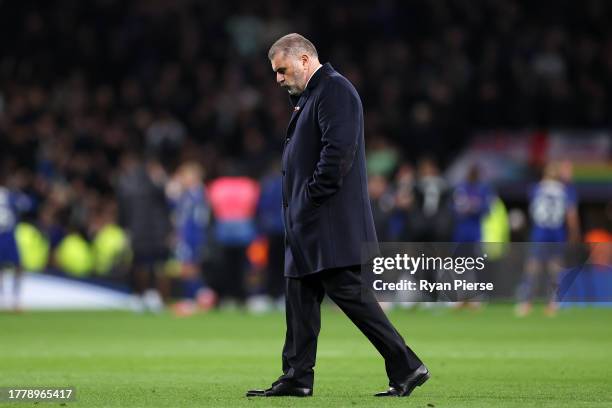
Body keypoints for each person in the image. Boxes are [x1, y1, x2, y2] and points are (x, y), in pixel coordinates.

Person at [246, 33, 428, 398]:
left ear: (303, 59)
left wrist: (310, 199)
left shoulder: (334, 90)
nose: (278, 79)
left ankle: (407, 365)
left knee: (349, 295)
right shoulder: (312, 96)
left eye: (281, 71)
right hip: (307, 221)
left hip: (325, 220)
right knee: (299, 295)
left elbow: (337, 154)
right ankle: (297, 376)